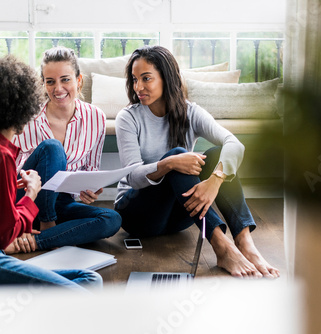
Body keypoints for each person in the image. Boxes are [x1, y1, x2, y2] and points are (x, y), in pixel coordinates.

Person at [0, 55, 102, 290]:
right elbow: (6, 235)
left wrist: (12, 187)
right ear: (24, 105)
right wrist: (32, 193)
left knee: (91, 279)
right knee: (79, 291)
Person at [115, 46, 280, 278]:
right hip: (138, 215)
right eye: (134, 79)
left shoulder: (190, 112)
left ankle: (244, 242)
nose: (138, 87)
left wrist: (215, 180)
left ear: (167, 77)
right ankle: (222, 247)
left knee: (216, 154)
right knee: (179, 156)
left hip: (180, 217)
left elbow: (234, 145)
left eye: (146, 78)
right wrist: (169, 164)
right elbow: (132, 176)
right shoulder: (128, 118)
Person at [8, 46, 121, 254]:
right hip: (26, 199)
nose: (58, 88)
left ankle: (36, 242)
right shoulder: (28, 116)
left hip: (62, 201)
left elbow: (91, 168)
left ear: (78, 81)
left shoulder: (96, 117)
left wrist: (89, 189)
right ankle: (48, 224)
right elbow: (10, 171)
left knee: (111, 219)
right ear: (43, 84)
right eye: (50, 81)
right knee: (53, 147)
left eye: (65, 79)